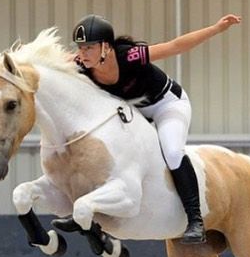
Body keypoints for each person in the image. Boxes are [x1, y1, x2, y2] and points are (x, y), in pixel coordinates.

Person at [71, 13, 241, 244]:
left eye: (89, 47)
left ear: (106, 48)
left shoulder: (130, 56)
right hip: (136, 114)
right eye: (80, 48)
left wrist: (215, 28)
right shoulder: (81, 64)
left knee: (172, 152)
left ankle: (195, 219)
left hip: (167, 104)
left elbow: (175, 46)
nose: (83, 53)